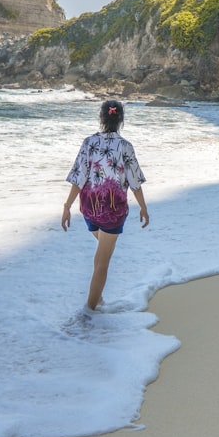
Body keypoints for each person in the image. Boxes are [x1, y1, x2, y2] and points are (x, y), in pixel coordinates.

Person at [62, 100, 149, 311]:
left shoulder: (88, 142)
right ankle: (89, 312)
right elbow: (134, 181)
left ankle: (97, 297)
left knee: (101, 254)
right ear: (121, 120)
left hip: (89, 209)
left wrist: (67, 206)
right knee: (103, 263)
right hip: (112, 211)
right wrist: (143, 207)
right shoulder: (125, 147)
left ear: (101, 118)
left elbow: (78, 177)